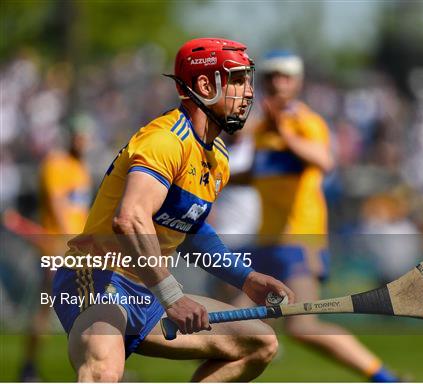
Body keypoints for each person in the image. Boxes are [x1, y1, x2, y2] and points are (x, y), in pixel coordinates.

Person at [52, 38, 294, 382]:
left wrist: (246, 279)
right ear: (205, 85)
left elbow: (190, 231)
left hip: (146, 290)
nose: (250, 92)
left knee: (259, 343)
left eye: (247, 80)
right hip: (96, 277)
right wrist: (172, 296)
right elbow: (130, 219)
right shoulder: (165, 140)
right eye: (238, 80)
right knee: (104, 369)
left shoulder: (217, 158)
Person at [246, 50, 400, 382]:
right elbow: (259, 175)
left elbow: (325, 161)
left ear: (298, 82)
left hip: (299, 240)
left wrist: (284, 130)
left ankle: (386, 378)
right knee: (238, 324)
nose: (277, 84)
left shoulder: (306, 122)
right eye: (271, 77)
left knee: (302, 325)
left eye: (285, 77)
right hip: (266, 241)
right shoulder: (260, 132)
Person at [19, 120, 92, 381]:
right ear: (71, 136)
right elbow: (60, 209)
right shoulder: (56, 165)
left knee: (89, 310)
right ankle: (29, 365)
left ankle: (98, 366)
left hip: (77, 249)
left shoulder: (80, 168)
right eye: (81, 136)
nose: (85, 141)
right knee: (45, 308)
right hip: (59, 248)